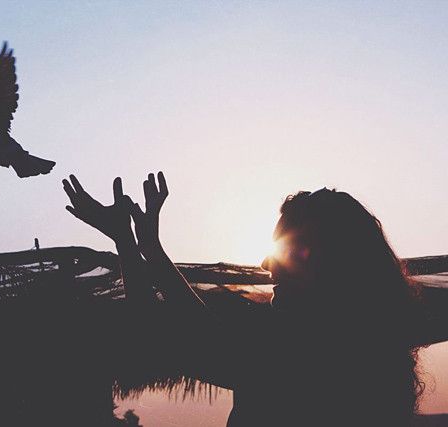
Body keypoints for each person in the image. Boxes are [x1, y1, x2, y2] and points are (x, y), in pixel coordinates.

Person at [62, 172, 424, 427]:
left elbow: (192, 343)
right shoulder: (367, 356)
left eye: (288, 250)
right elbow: (163, 338)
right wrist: (133, 242)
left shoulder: (311, 357)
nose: (266, 264)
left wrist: (139, 244)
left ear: (335, 263)